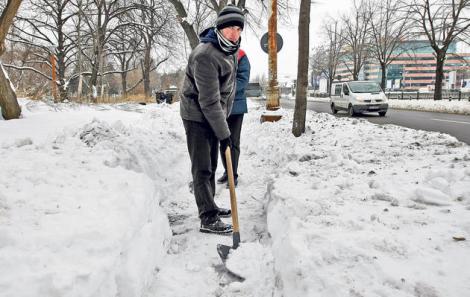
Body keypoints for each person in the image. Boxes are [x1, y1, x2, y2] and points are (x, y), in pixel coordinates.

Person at [180, 4, 245, 234]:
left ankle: (211, 205)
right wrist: (225, 133)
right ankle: (207, 217)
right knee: (203, 167)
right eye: (229, 28)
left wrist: (221, 127)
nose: (234, 34)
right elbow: (208, 101)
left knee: (213, 163)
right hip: (196, 114)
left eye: (238, 29)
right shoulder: (205, 55)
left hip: (213, 113)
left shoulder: (229, 50)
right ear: (219, 29)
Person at [217, 49, 250, 187]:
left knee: (233, 142)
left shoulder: (241, 55)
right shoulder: (216, 53)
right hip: (219, 107)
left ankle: (233, 175)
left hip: (236, 107)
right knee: (223, 140)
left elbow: (242, 80)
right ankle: (227, 171)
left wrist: (224, 89)